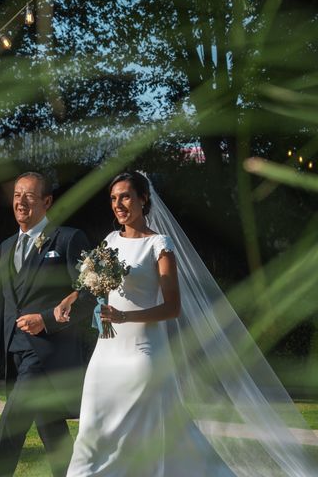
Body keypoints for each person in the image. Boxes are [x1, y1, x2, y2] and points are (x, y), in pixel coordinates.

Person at [54, 171, 317, 476]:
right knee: (91, 429)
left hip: (142, 354)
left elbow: (172, 307)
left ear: (143, 199)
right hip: (106, 353)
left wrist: (126, 317)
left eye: (125, 196)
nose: (118, 204)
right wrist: (70, 298)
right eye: (113, 198)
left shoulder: (159, 245)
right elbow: (91, 283)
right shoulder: (110, 241)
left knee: (148, 433)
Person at [0, 171, 95, 477]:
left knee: (12, 425)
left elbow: (88, 296)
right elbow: (1, 307)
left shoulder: (68, 239)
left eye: (29, 196)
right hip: (15, 354)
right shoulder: (7, 246)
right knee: (53, 434)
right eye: (17, 195)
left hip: (47, 354)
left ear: (46, 202)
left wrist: (45, 320)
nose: (21, 202)